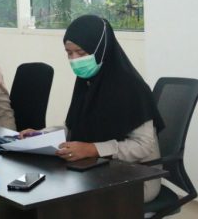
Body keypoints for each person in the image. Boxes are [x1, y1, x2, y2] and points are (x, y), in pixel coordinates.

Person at [20, 15, 165, 203]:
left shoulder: (132, 87)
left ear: (101, 49)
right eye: (69, 53)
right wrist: (42, 134)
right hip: (97, 168)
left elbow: (144, 146)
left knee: (66, 198)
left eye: (80, 53)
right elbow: (72, 127)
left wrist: (93, 149)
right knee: (45, 190)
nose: (74, 60)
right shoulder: (86, 82)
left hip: (137, 178)